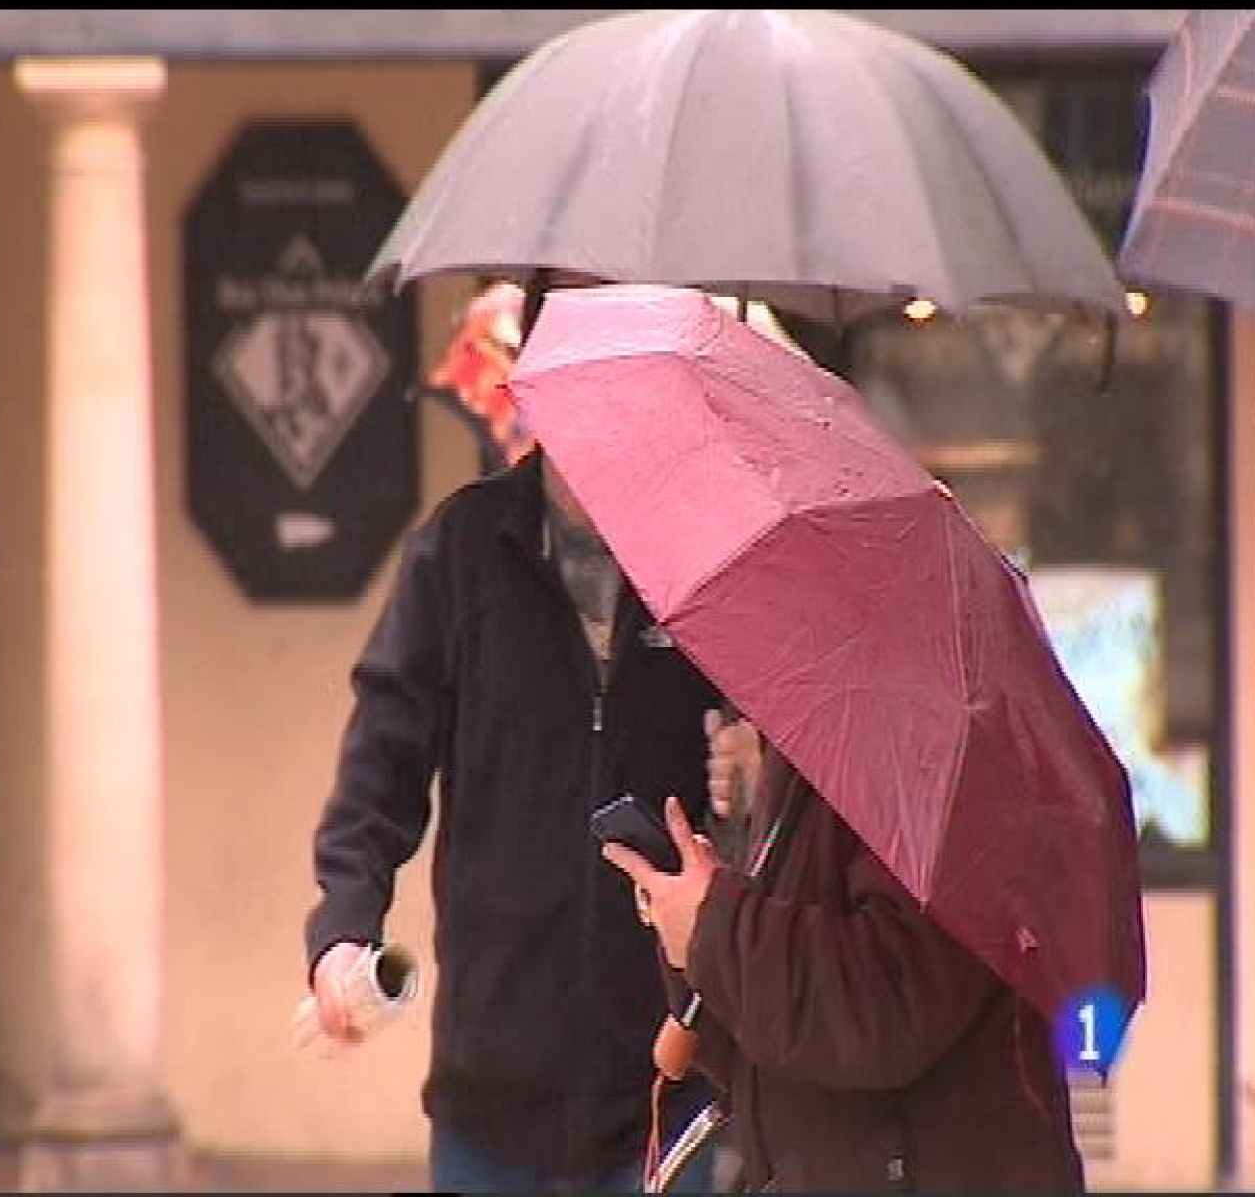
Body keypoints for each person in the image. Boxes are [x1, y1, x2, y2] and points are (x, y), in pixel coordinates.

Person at [304, 275, 726, 1193]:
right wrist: (344, 927)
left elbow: (766, 796)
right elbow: (383, 762)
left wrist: (750, 785)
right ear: (533, 382)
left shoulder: (709, 562)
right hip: (491, 1092)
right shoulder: (462, 551)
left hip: (668, 1086)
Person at [604, 718, 1088, 1194]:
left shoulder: (944, 749)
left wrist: (714, 927)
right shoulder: (816, 744)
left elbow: (883, 1006)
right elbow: (762, 1043)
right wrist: (693, 921)